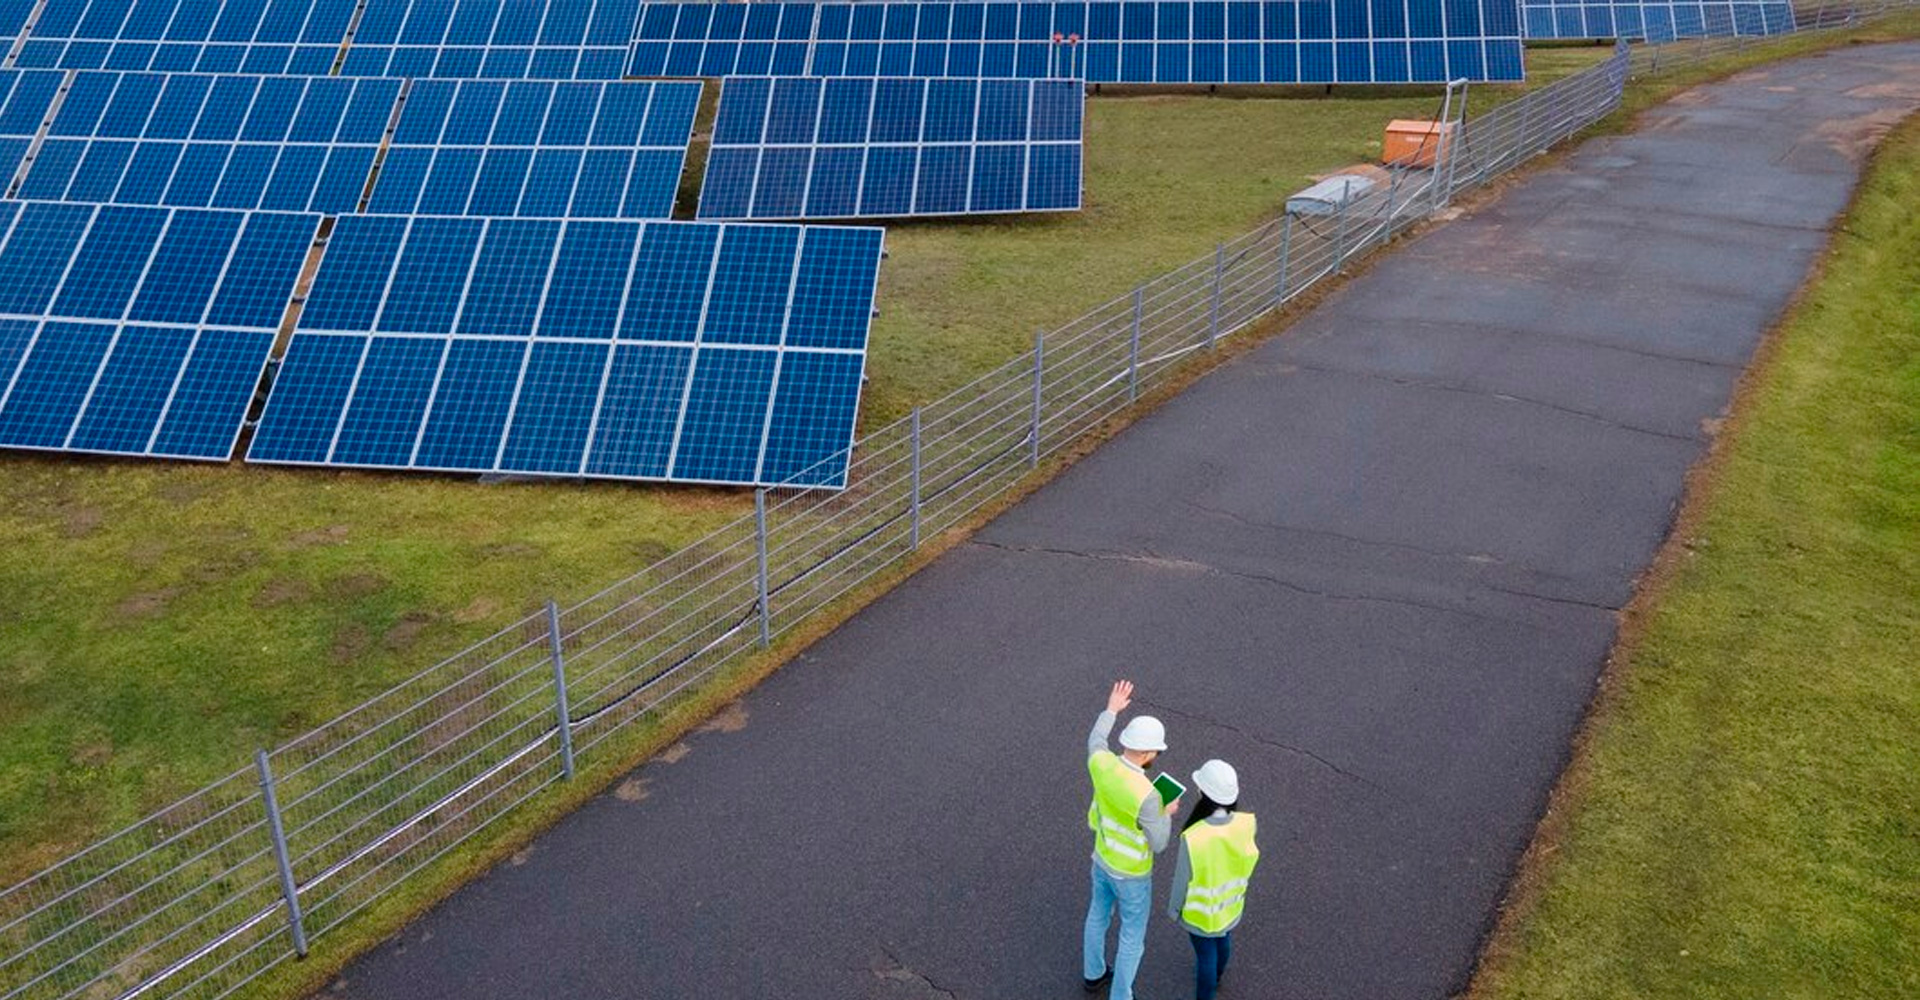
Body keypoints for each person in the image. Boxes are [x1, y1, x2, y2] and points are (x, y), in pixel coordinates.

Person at [1084, 680, 1179, 998]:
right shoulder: (1149, 795)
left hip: (1102, 858)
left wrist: (1111, 709)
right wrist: (1167, 811)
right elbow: (1160, 842)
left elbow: (1096, 740)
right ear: (1150, 753)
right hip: (1133, 875)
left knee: (1097, 913)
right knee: (1131, 935)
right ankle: (1121, 995)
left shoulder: (1101, 763)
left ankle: (1093, 972)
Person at [1166, 760, 1258, 1000]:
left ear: (1202, 794)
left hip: (1201, 914)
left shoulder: (1194, 836)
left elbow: (1181, 880)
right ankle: (1218, 976)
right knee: (1223, 941)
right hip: (1230, 905)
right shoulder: (1246, 823)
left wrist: (1174, 910)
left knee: (1205, 956)